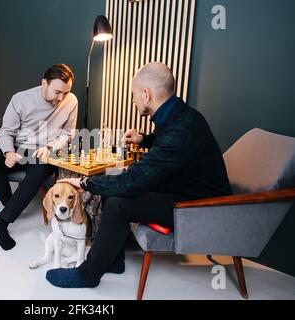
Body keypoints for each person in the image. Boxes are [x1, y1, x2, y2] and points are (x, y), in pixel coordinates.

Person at [46, 62, 232, 288]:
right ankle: (114, 260)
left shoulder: (181, 130)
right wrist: (144, 139)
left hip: (199, 208)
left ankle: (88, 274)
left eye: (134, 96)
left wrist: (85, 182)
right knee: (114, 186)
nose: (133, 102)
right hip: (184, 190)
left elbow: (132, 180)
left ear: (146, 94)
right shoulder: (182, 116)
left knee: (118, 201)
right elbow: (167, 141)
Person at [0, 64, 78, 251]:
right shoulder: (20, 99)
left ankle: (2, 222)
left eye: (66, 92)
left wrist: (50, 147)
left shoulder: (71, 100)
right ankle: (10, 204)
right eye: (57, 92)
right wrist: (8, 152)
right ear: (44, 83)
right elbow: (6, 131)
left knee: (40, 169)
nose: (61, 98)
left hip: (45, 151)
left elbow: (68, 133)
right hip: (18, 147)